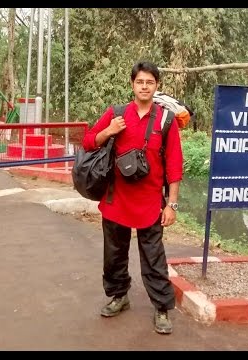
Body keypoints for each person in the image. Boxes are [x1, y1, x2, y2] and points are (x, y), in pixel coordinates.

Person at [81, 61, 183, 334]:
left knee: (154, 258)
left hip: (150, 203)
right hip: (117, 199)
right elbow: (88, 141)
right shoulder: (117, 114)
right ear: (132, 85)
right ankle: (118, 297)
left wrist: (171, 204)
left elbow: (174, 164)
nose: (145, 86)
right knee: (114, 255)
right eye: (140, 82)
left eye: (150, 82)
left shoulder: (165, 119)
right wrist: (109, 131)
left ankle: (162, 308)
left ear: (156, 86)